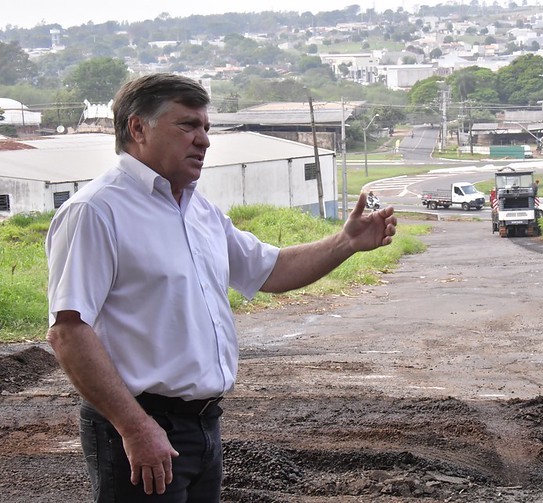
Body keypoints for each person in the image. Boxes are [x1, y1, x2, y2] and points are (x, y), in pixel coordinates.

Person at [45, 73, 397, 502]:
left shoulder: (199, 210)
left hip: (203, 426)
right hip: (141, 426)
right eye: (187, 125)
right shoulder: (95, 212)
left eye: (206, 127)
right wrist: (135, 428)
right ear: (138, 128)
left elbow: (272, 270)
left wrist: (345, 242)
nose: (204, 140)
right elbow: (68, 331)